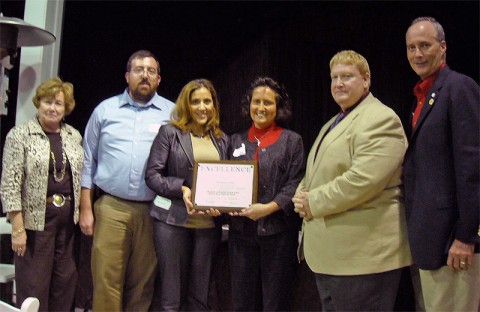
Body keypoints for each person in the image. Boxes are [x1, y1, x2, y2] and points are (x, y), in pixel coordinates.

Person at [292, 50, 412, 311]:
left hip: (363, 258)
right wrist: (301, 194)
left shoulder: (381, 119)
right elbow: (315, 172)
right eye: (334, 77)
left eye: (347, 76)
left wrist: (312, 202)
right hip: (333, 256)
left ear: (367, 80)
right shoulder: (333, 122)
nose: (339, 83)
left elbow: (362, 180)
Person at [80, 50, 175, 311]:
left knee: (142, 283)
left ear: (158, 79)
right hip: (111, 207)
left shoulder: (173, 113)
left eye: (151, 71)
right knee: (106, 279)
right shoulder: (105, 110)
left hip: (154, 210)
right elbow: (87, 161)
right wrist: (85, 208)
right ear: (127, 76)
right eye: (138, 70)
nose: (144, 75)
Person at [403, 17, 480, 312]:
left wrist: (466, 235)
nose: (417, 54)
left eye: (425, 45)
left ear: (443, 47)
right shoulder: (423, 95)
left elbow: (472, 168)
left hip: (455, 244)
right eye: (411, 47)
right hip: (431, 239)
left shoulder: (460, 88)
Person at [0, 77, 84, 311]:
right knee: (34, 287)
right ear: (38, 103)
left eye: (58, 103)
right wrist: (17, 229)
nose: (52, 108)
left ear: (66, 108)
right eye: (47, 101)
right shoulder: (20, 135)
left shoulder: (74, 136)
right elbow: (9, 184)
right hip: (35, 223)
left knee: (64, 284)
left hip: (67, 223)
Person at [145, 78, 228, 311]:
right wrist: (181, 188)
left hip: (208, 227)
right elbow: (152, 175)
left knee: (200, 297)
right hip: (172, 223)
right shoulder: (170, 133)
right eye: (195, 102)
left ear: (214, 105)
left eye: (207, 101)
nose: (202, 107)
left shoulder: (222, 139)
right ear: (186, 105)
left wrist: (221, 205)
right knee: (172, 298)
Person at [228, 77, 305, 311]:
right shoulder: (235, 140)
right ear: (248, 105)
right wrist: (224, 203)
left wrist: (269, 208)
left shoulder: (292, 141)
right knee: (242, 301)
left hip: (279, 233)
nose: (261, 108)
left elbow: (295, 182)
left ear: (278, 108)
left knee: (276, 301)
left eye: (268, 103)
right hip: (241, 234)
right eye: (256, 102)